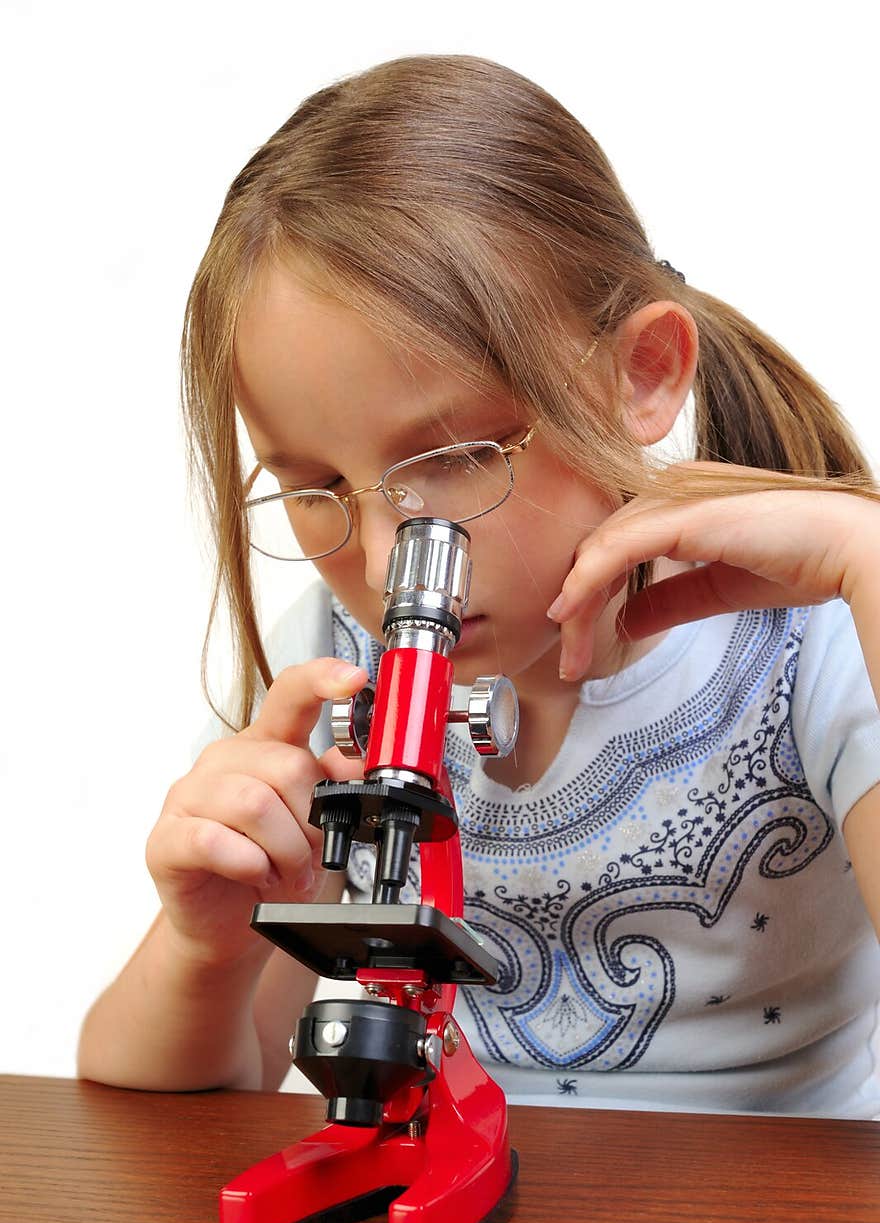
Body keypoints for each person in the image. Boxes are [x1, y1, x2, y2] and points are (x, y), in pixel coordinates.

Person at [78, 53, 880, 1118]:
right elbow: (173, 1096)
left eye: (452, 456)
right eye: (314, 488)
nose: (377, 564)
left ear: (641, 374)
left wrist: (868, 569)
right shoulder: (335, 669)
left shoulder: (814, 639)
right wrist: (203, 942)